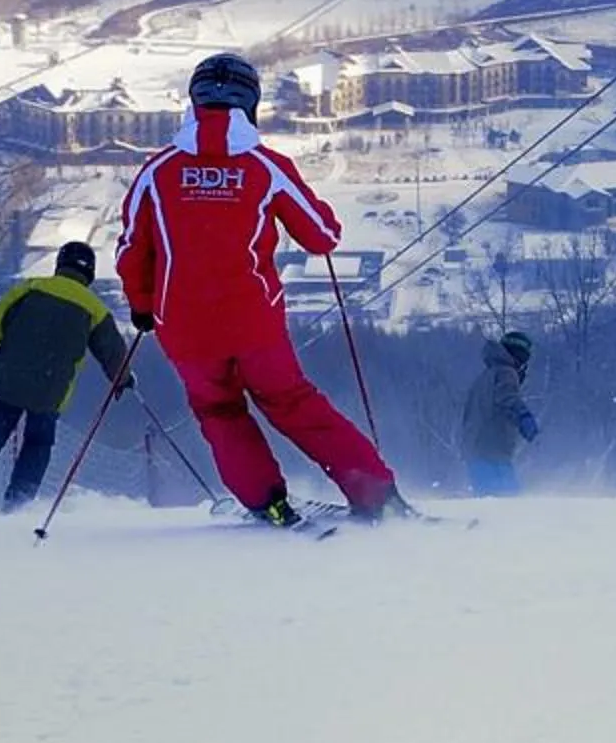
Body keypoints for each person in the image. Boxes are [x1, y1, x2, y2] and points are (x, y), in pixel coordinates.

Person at [116, 52, 402, 526]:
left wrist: (144, 307)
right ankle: (373, 492)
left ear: (194, 101)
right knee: (294, 403)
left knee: (219, 410)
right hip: (254, 324)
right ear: (251, 104)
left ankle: (266, 501)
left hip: (183, 328)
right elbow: (322, 237)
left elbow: (131, 251)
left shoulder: (157, 171)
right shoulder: (265, 167)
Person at [0, 240, 136, 517]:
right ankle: (17, 508)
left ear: (60, 265)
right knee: (36, 447)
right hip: (49, 395)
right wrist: (122, 380)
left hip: (8, 386)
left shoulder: (29, 289)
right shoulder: (95, 309)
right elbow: (113, 352)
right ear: (90, 273)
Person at [459, 329, 540, 497]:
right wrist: (523, 416)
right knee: (506, 503)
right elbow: (508, 398)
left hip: (477, 448)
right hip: (492, 451)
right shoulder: (506, 372)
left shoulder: (486, 376)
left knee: (490, 498)